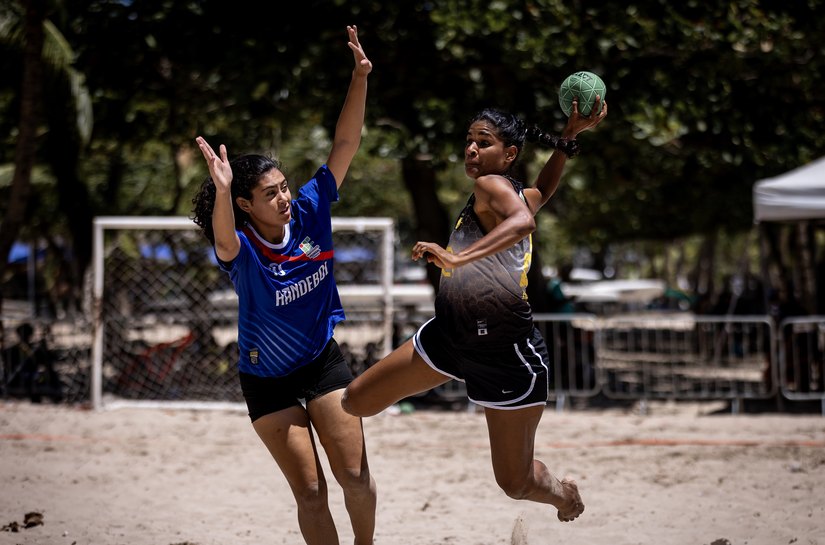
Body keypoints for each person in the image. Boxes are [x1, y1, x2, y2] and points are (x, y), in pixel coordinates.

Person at [342, 96, 607, 524]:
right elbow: (540, 194)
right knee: (356, 400)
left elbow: (524, 222)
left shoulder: (492, 186)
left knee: (516, 483)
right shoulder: (509, 192)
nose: (471, 149)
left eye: (483, 142)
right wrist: (568, 138)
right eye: (469, 140)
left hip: (504, 353)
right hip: (451, 336)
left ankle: (565, 494)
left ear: (508, 155)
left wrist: (456, 259)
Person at [191, 26, 375, 545]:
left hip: (321, 362)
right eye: (270, 193)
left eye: (284, 187)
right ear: (247, 203)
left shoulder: (313, 209)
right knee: (311, 493)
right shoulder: (241, 249)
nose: (284, 197)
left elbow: (346, 141)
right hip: (266, 380)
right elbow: (223, 234)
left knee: (355, 476)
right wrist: (223, 190)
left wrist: (359, 78)